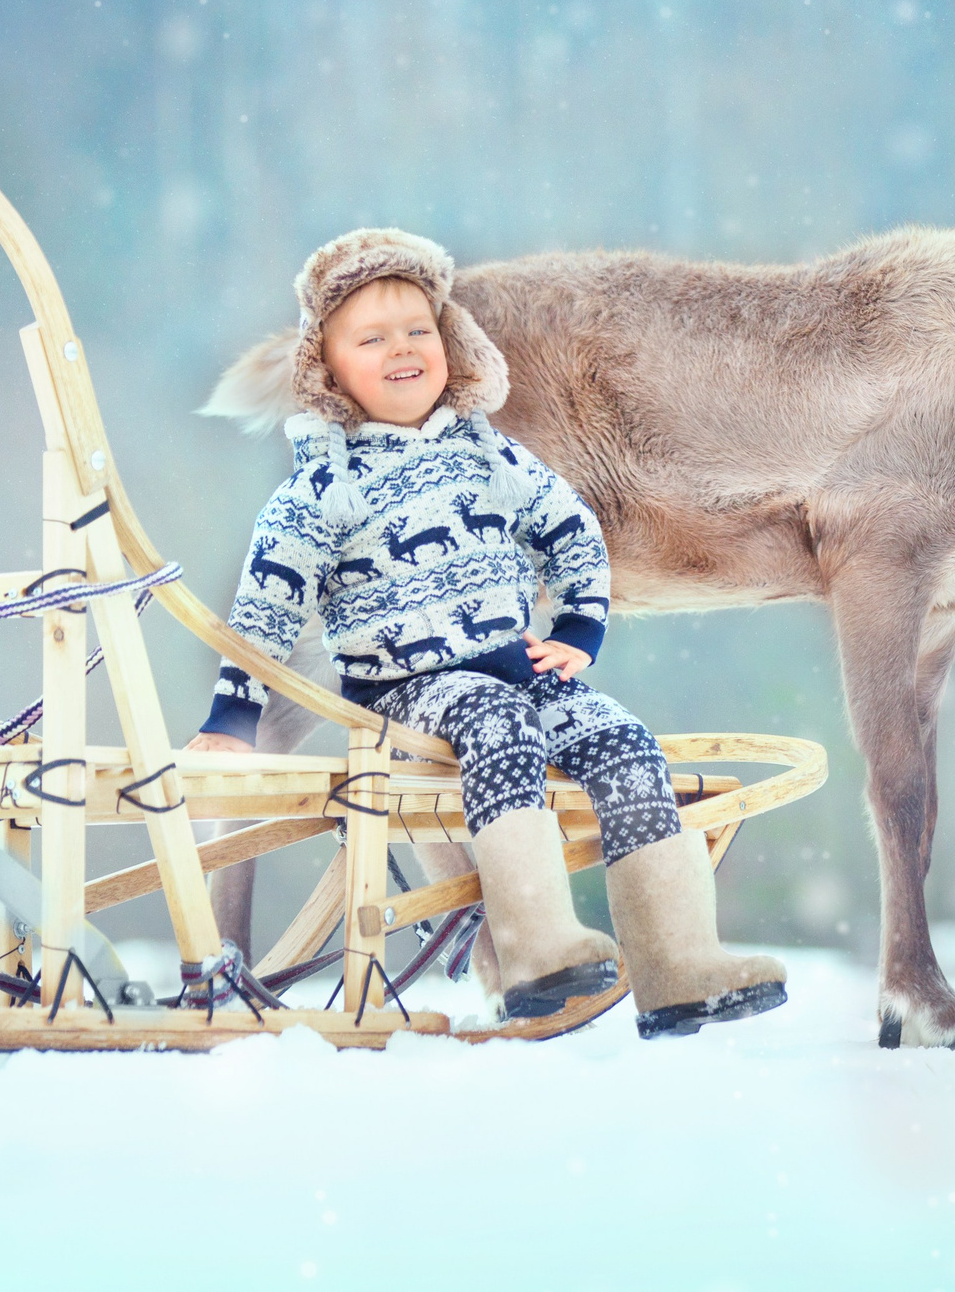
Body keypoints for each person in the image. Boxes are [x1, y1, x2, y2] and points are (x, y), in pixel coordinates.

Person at [188, 227, 785, 1037]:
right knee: (497, 722)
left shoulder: (488, 453)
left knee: (620, 737)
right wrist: (229, 719)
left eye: (419, 330)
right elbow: (265, 607)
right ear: (325, 370)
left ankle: (678, 963)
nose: (403, 349)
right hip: (405, 693)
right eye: (372, 338)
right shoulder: (322, 486)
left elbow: (569, 527)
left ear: (451, 341)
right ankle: (536, 947)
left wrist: (579, 620)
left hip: (515, 667)